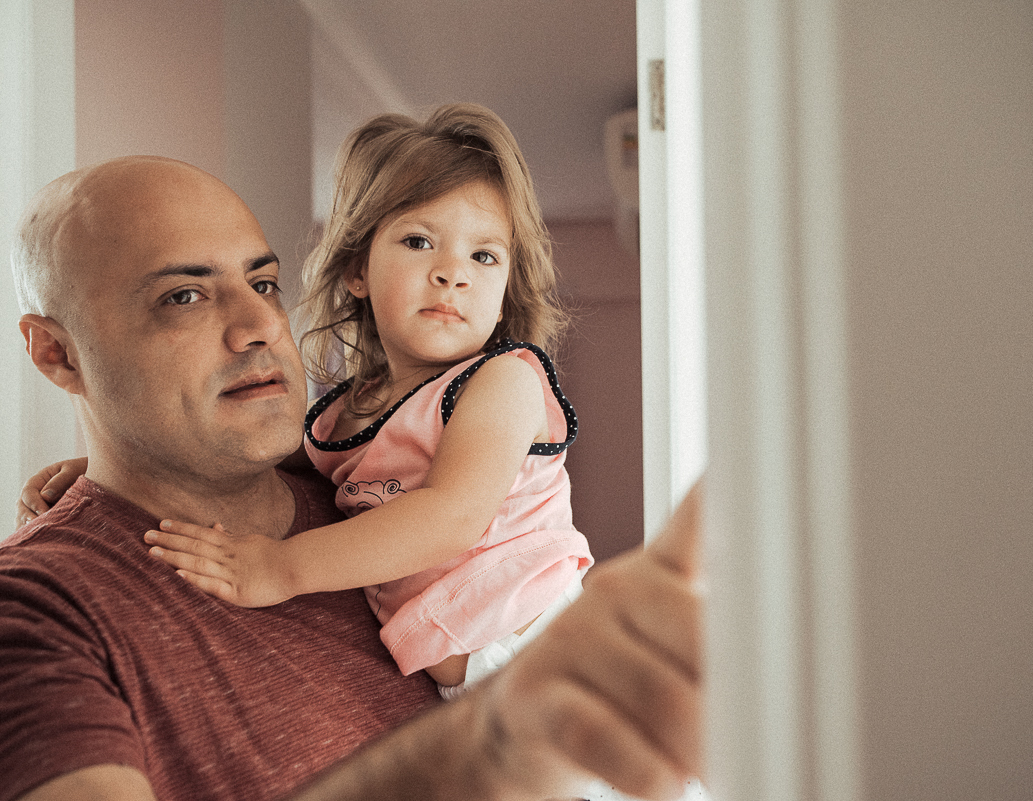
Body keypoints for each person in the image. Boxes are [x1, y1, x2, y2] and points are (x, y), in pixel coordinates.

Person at [1, 155, 702, 801]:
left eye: (265, 283)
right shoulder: (38, 607)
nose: (260, 326)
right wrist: (492, 747)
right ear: (57, 354)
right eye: (183, 296)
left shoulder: (367, 495)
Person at [46, 106, 593, 699]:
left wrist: (280, 569)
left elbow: (450, 519)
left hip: (544, 646)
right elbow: (258, 462)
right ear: (357, 270)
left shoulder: (500, 382)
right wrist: (128, 466)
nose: (452, 274)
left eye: (484, 256)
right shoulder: (341, 414)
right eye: (419, 241)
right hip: (469, 682)